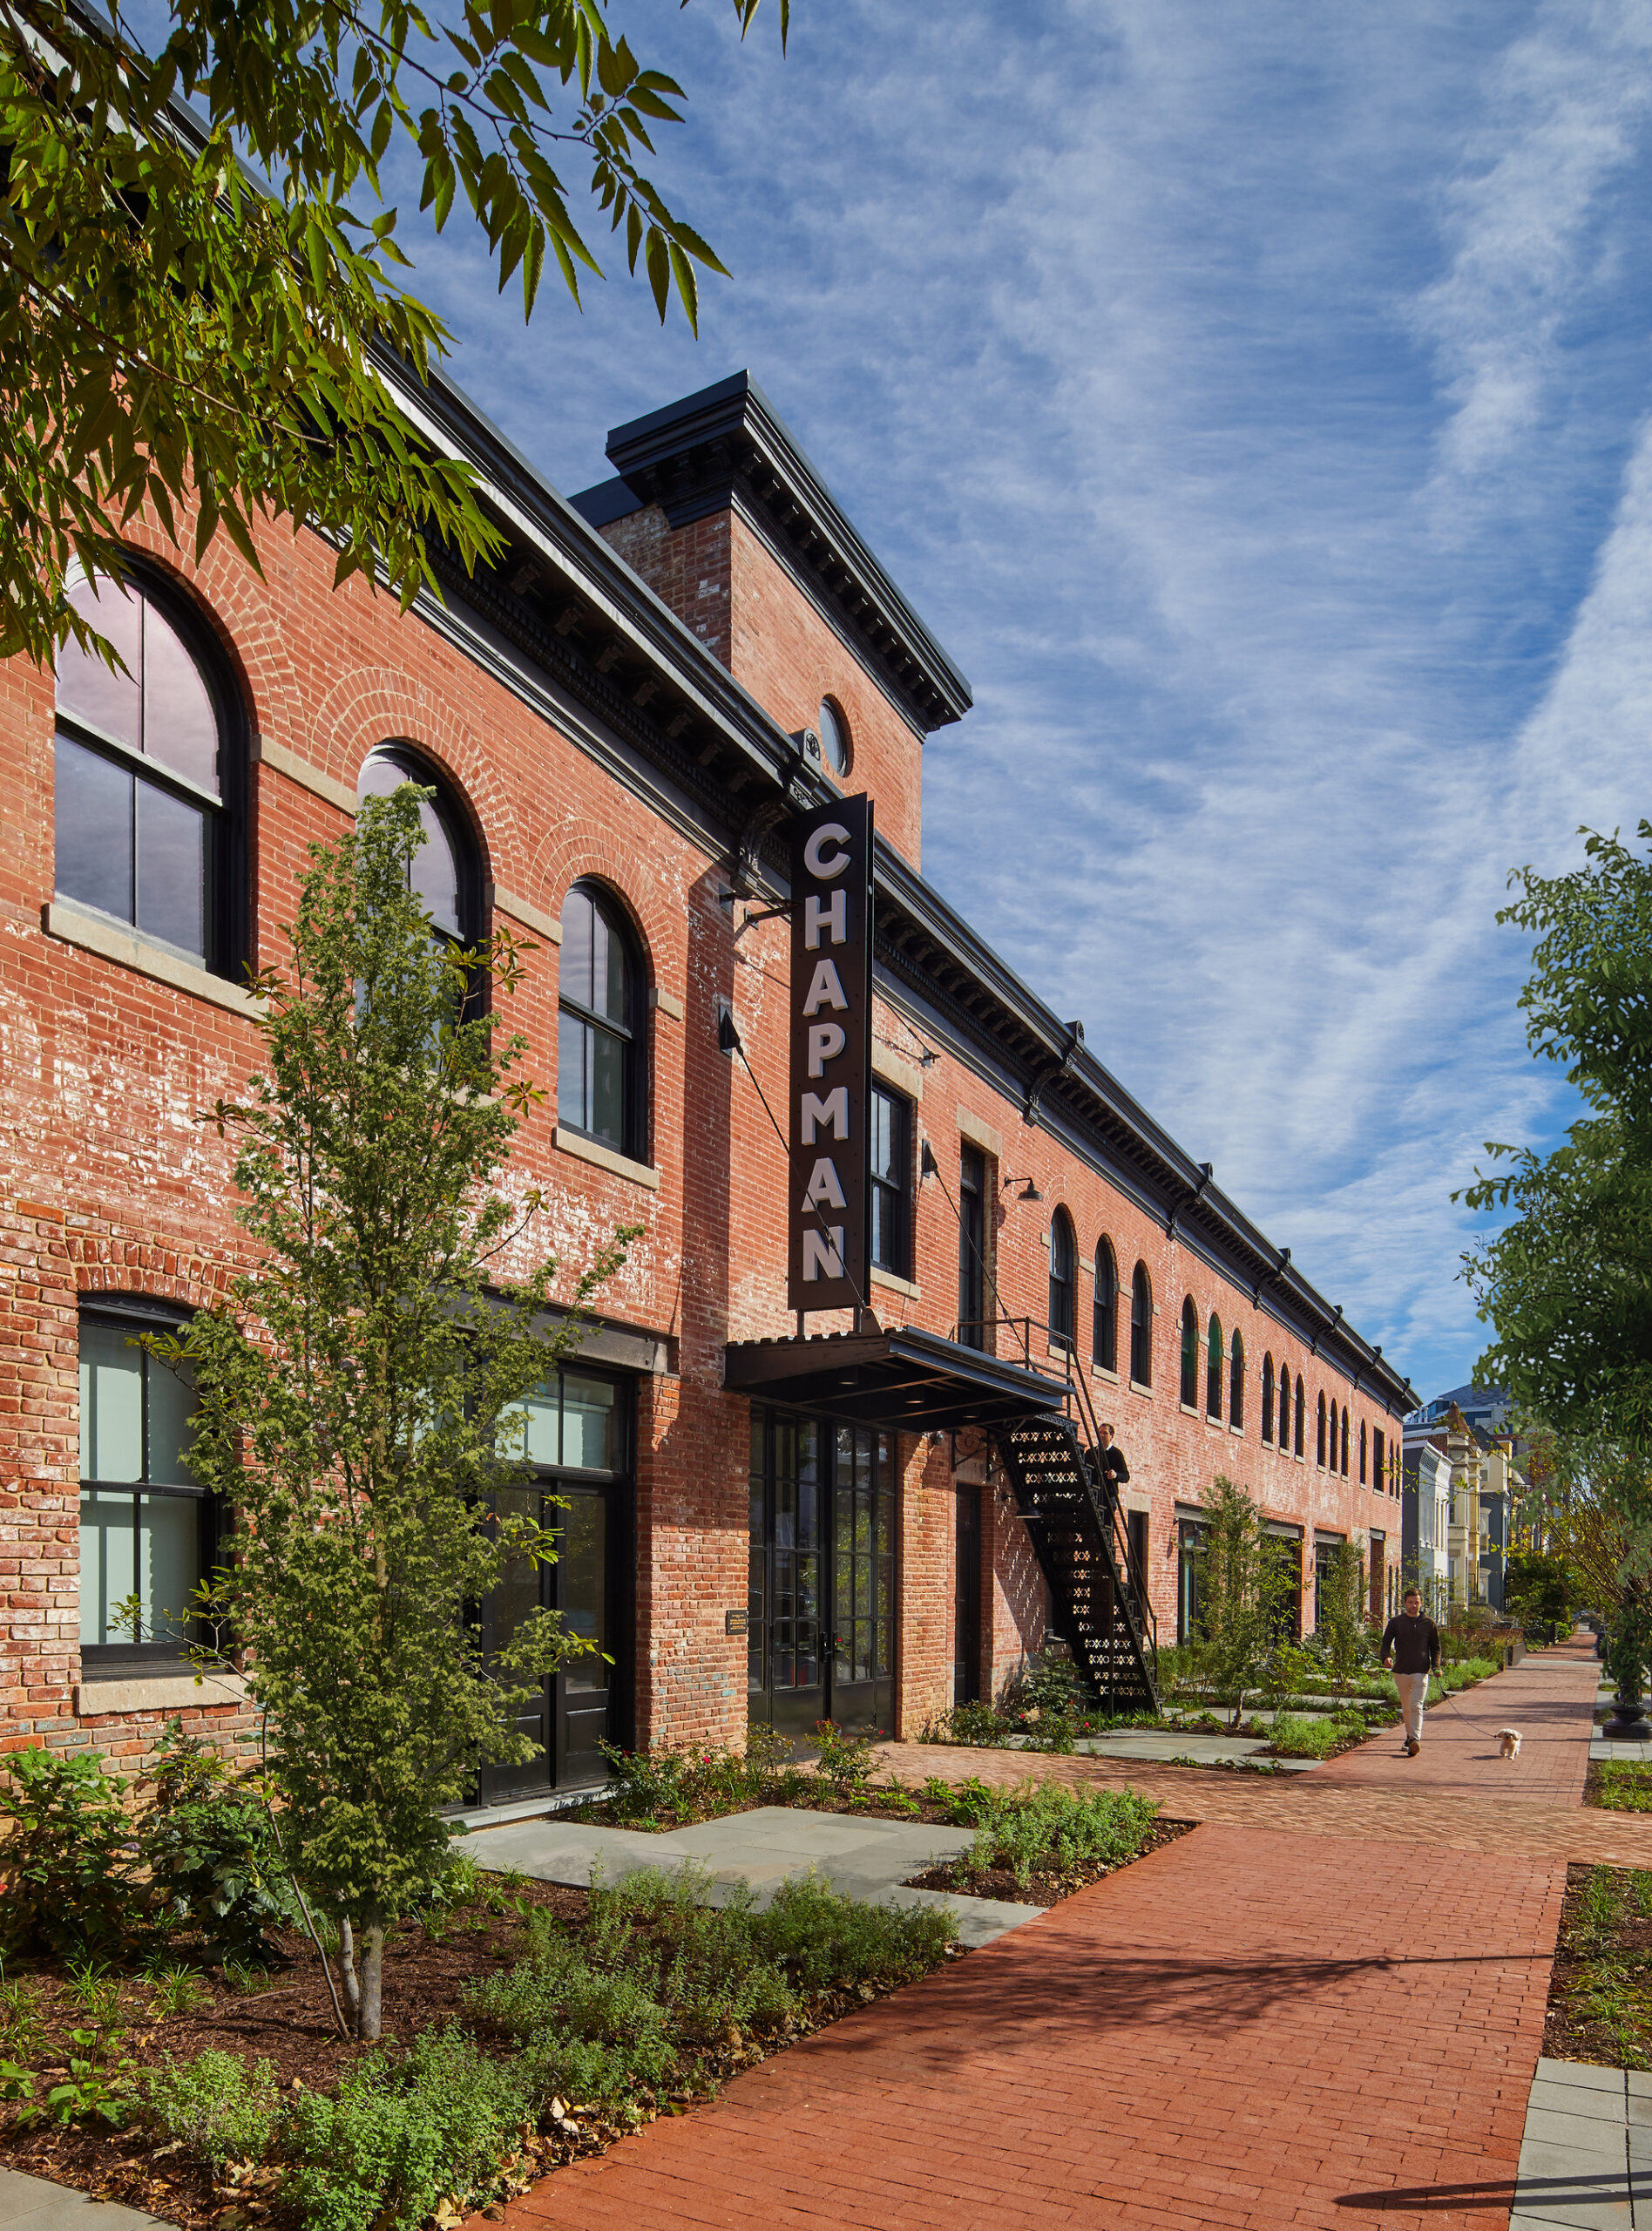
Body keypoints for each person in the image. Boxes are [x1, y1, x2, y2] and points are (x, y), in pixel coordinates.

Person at [1380, 1586, 1441, 1757]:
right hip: (1401, 1671)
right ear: (1405, 1603)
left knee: (1416, 1706)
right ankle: (1409, 1738)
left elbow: (1435, 1647)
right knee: (1407, 1707)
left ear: (1421, 1603)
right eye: (1411, 1602)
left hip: (1421, 1671)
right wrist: (1385, 1657)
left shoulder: (1429, 1624)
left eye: (1417, 1602)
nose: (1414, 1605)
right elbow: (1385, 1643)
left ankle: (1415, 1739)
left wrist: (1436, 1666)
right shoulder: (1396, 1622)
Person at [1096, 1422, 1130, 1492]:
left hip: (1109, 1494)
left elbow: (1126, 1477)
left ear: (1111, 1436)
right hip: (1093, 1491)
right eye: (1100, 1432)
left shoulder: (1117, 1453)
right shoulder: (1090, 1452)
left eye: (1105, 1433)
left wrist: (1115, 1475)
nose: (1102, 1435)